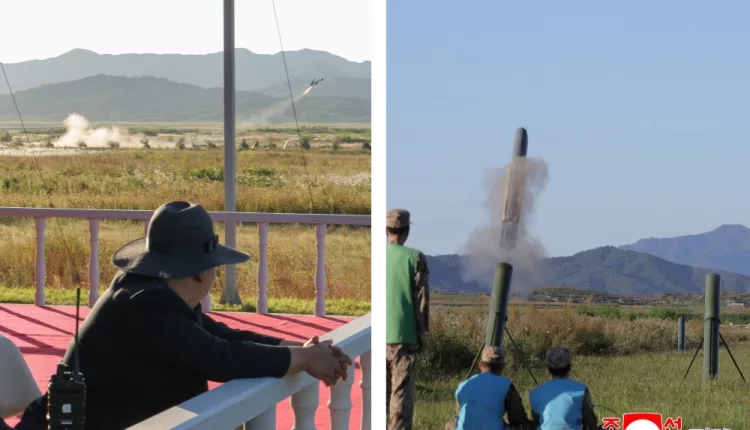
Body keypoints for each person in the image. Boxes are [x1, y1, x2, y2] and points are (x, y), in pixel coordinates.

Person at [13, 201, 352, 430]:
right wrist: (305, 358)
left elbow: (220, 335)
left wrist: (300, 348)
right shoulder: (147, 305)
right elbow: (218, 357)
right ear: (201, 272)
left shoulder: (147, 291)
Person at [385, 208, 430, 430]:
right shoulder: (415, 258)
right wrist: (422, 333)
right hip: (403, 335)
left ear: (387, 231)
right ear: (407, 231)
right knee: (400, 399)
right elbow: (422, 300)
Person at [446, 346, 530, 430]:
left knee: (450, 424)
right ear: (502, 366)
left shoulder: (463, 385)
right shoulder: (506, 386)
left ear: (480, 365)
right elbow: (518, 419)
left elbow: (459, 415)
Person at [529, 347, 599, 430]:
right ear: (569, 367)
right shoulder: (581, 390)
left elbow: (536, 421)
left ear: (549, 368)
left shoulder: (535, 393)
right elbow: (591, 422)